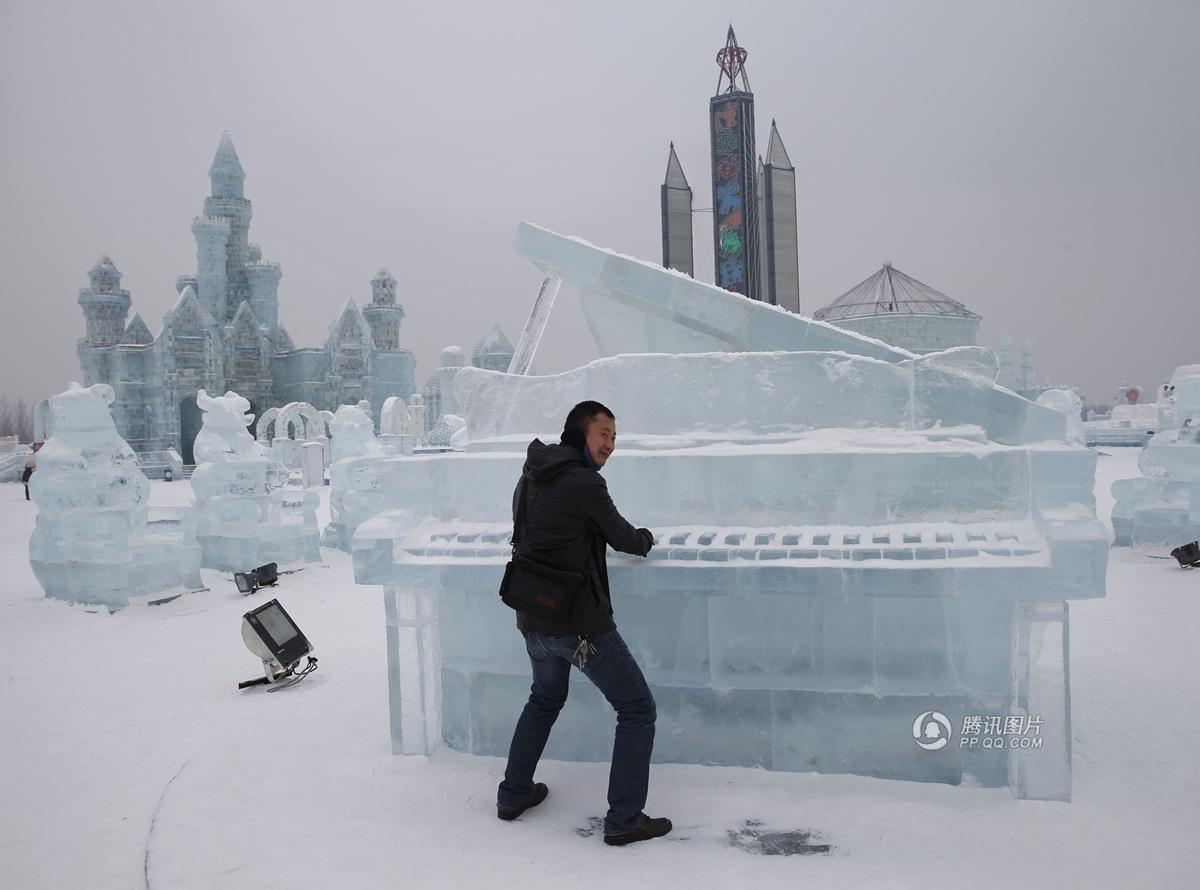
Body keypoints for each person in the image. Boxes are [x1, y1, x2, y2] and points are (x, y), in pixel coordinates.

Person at [496, 400, 672, 846]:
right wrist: (648, 538)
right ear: (580, 433)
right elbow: (625, 538)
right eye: (604, 434)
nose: (611, 444)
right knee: (637, 709)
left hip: (532, 617)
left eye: (615, 437)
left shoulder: (532, 474)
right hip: (577, 627)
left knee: (543, 698)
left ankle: (514, 793)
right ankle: (625, 819)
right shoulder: (585, 483)